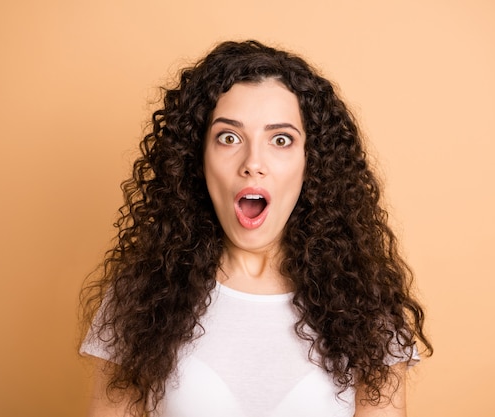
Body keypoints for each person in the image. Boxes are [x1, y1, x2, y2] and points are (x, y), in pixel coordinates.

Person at [79, 40, 432, 417]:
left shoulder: (368, 306)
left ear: (310, 163)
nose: (253, 163)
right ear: (196, 158)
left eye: (280, 140)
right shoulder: (141, 296)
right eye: (229, 137)